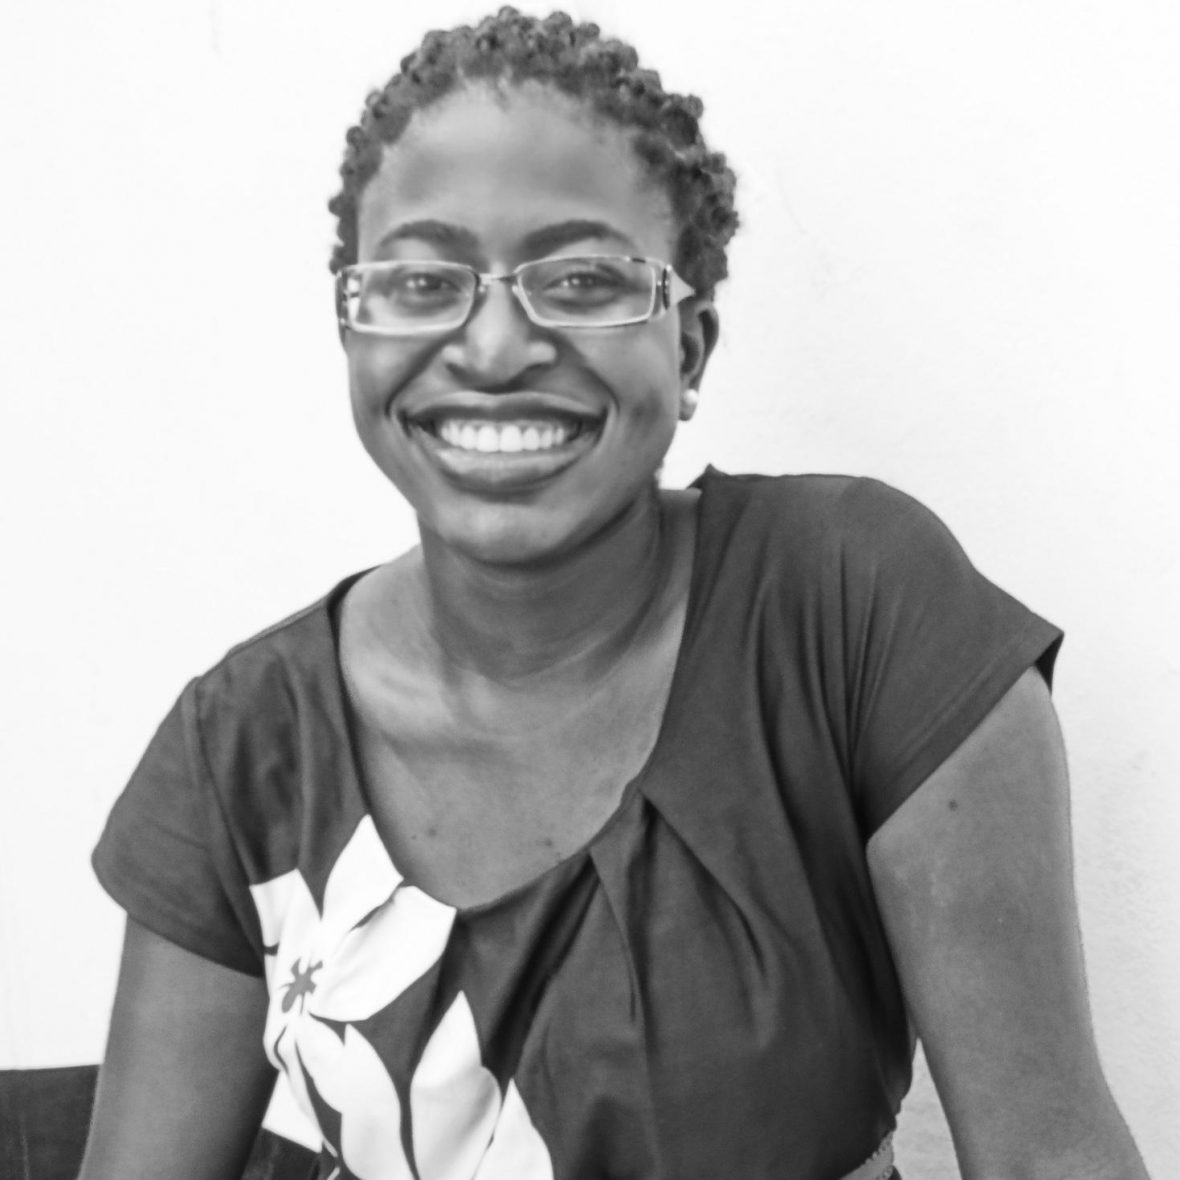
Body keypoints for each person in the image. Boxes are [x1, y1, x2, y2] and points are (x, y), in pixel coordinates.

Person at [79, 9, 1149, 1179]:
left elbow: (1049, 1155)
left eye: (582, 279)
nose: (492, 347)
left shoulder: (850, 609)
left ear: (687, 350)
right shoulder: (244, 748)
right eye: (423, 280)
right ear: (354, 327)